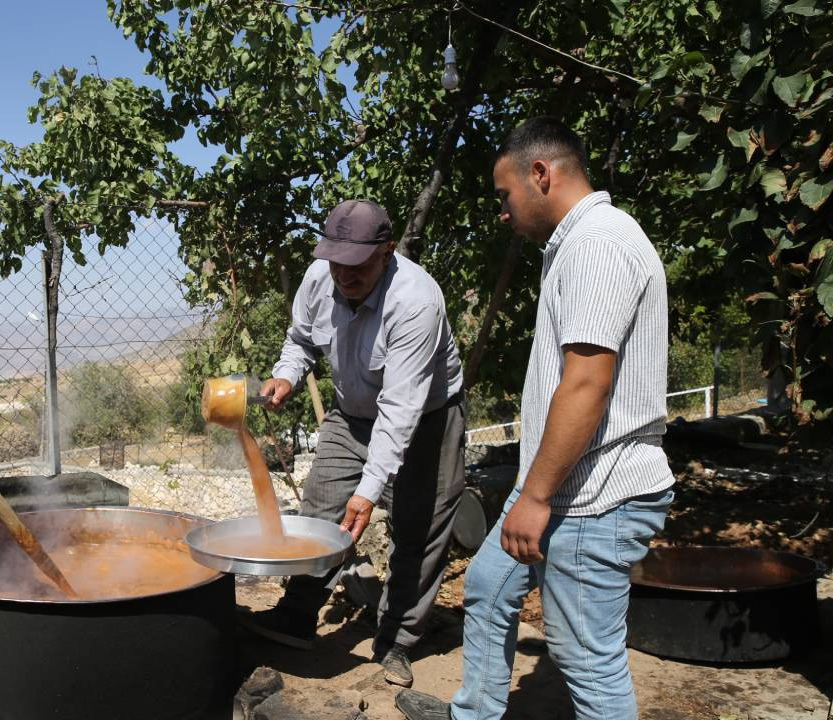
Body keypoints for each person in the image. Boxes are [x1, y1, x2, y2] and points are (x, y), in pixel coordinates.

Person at [396, 117, 675, 720]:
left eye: (504, 194)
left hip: (595, 493)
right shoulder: (576, 245)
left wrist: (537, 495)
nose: (502, 211)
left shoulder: (599, 244)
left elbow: (586, 381)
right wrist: (534, 487)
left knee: (586, 659)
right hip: (564, 482)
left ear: (541, 175)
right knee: (488, 585)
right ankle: (474, 713)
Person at [240, 199, 467, 688]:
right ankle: (297, 615)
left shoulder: (416, 302)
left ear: (386, 251)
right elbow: (300, 339)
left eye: (357, 265)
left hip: (426, 419)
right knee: (320, 510)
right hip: (351, 413)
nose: (344, 275)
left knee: (418, 528)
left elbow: (400, 410)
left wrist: (369, 491)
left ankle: (397, 641)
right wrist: (286, 377)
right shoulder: (321, 277)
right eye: (336, 262)